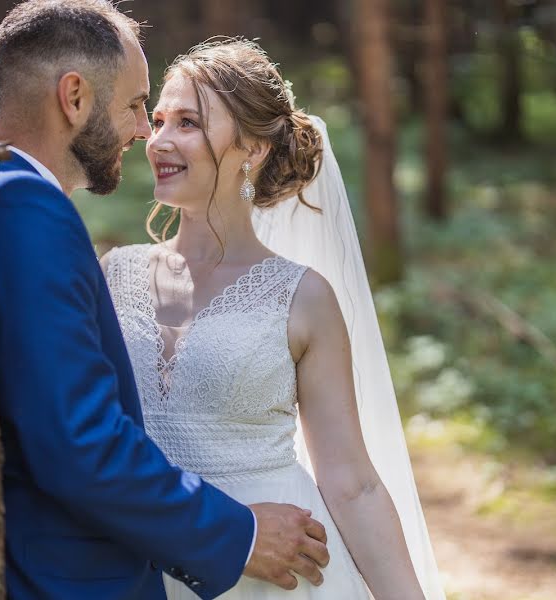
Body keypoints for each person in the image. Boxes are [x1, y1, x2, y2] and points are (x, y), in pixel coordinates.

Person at [0, 2, 331, 599]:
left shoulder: (3, 198)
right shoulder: (30, 211)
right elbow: (76, 440)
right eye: (138, 105)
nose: (147, 131)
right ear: (74, 98)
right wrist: (239, 535)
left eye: (180, 120)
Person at [102, 39, 446, 599]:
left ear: (253, 147)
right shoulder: (112, 276)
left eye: (188, 122)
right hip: (137, 562)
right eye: (159, 119)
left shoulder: (303, 298)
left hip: (274, 573)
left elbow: (352, 483)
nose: (158, 140)